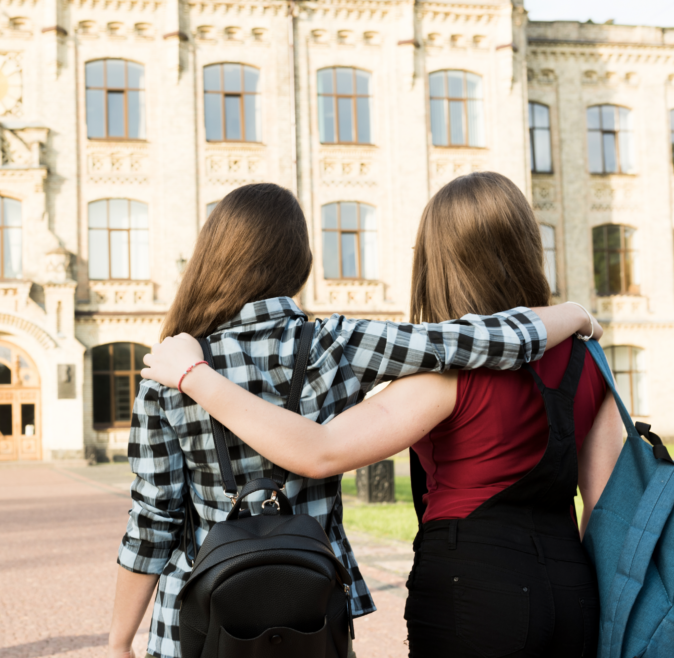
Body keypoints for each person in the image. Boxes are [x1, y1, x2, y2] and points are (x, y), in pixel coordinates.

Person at [108, 181, 601, 658]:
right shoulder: (339, 344)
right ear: (300, 262)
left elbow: (153, 522)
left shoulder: (168, 372)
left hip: (198, 621)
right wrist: (574, 313)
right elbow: (484, 341)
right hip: (311, 615)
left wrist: (119, 640)